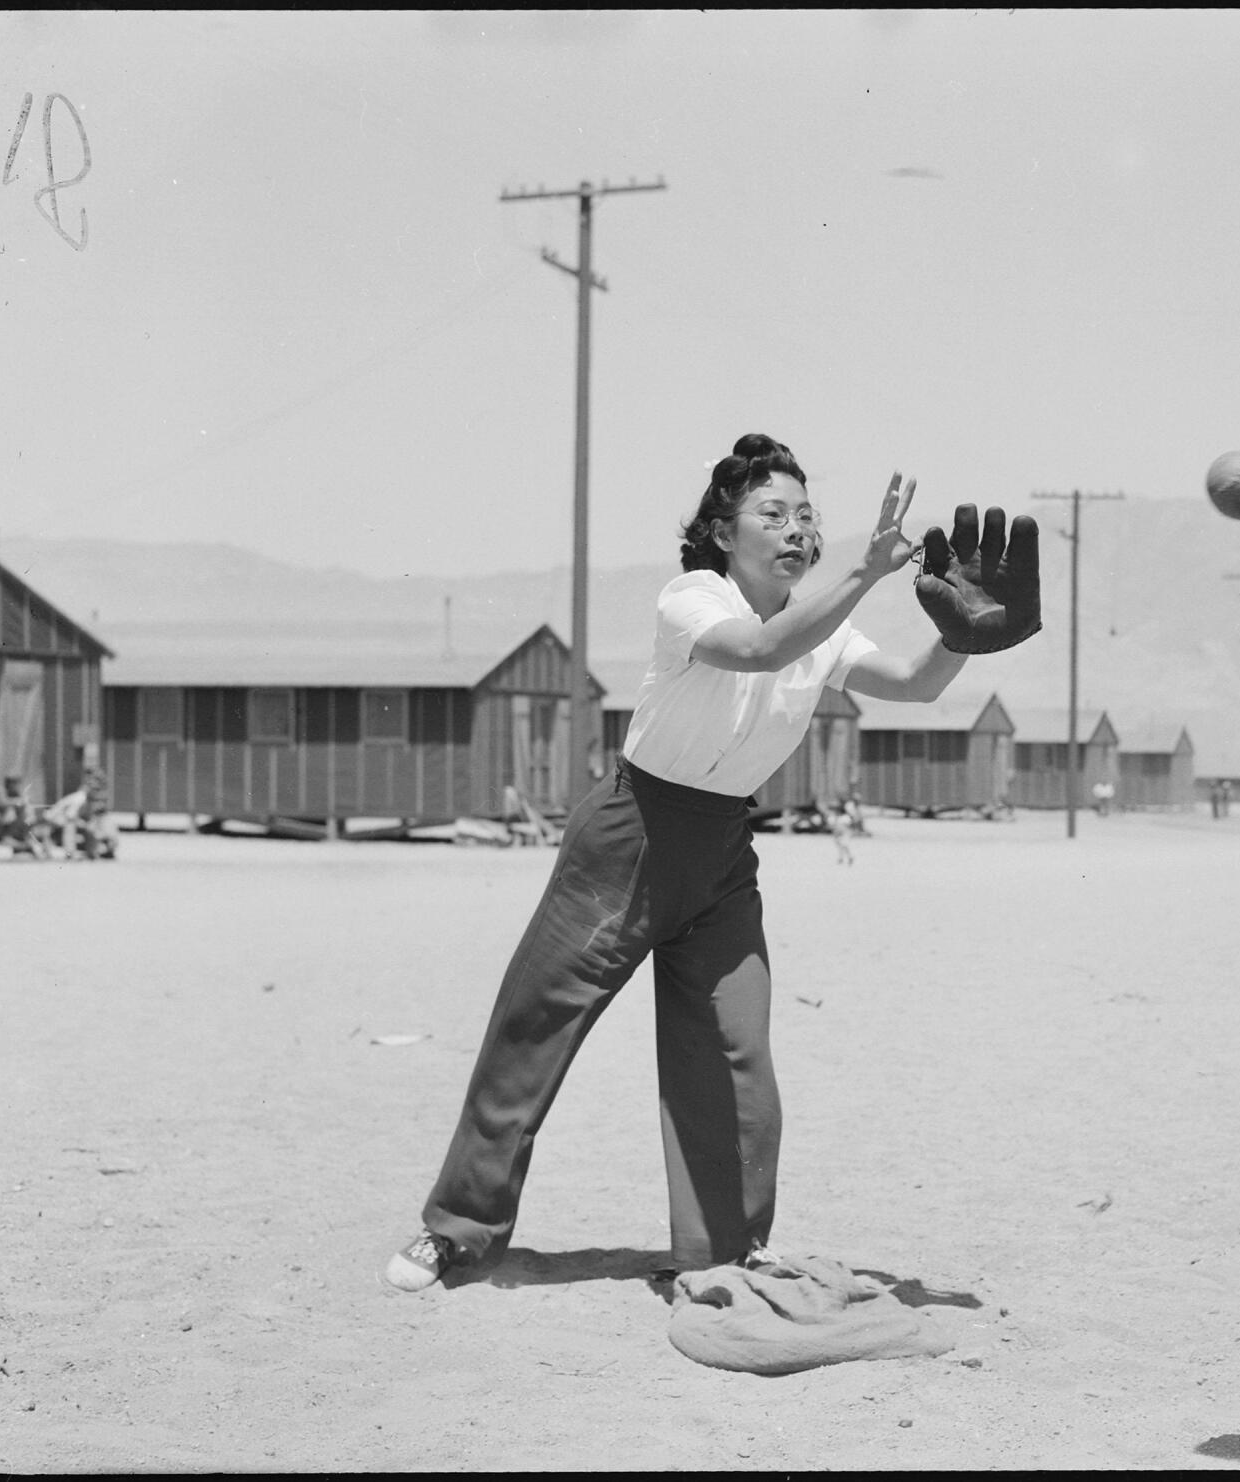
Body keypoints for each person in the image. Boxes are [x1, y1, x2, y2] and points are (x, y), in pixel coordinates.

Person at [384, 434, 1030, 1293]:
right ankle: (456, 1230)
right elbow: (758, 650)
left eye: (808, 517)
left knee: (735, 1053)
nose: (798, 530)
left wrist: (963, 635)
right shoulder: (692, 598)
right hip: (629, 839)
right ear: (724, 532)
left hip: (723, 851)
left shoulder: (826, 628)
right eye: (774, 514)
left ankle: (721, 1252)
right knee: (532, 1031)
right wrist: (867, 571)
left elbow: (914, 684)